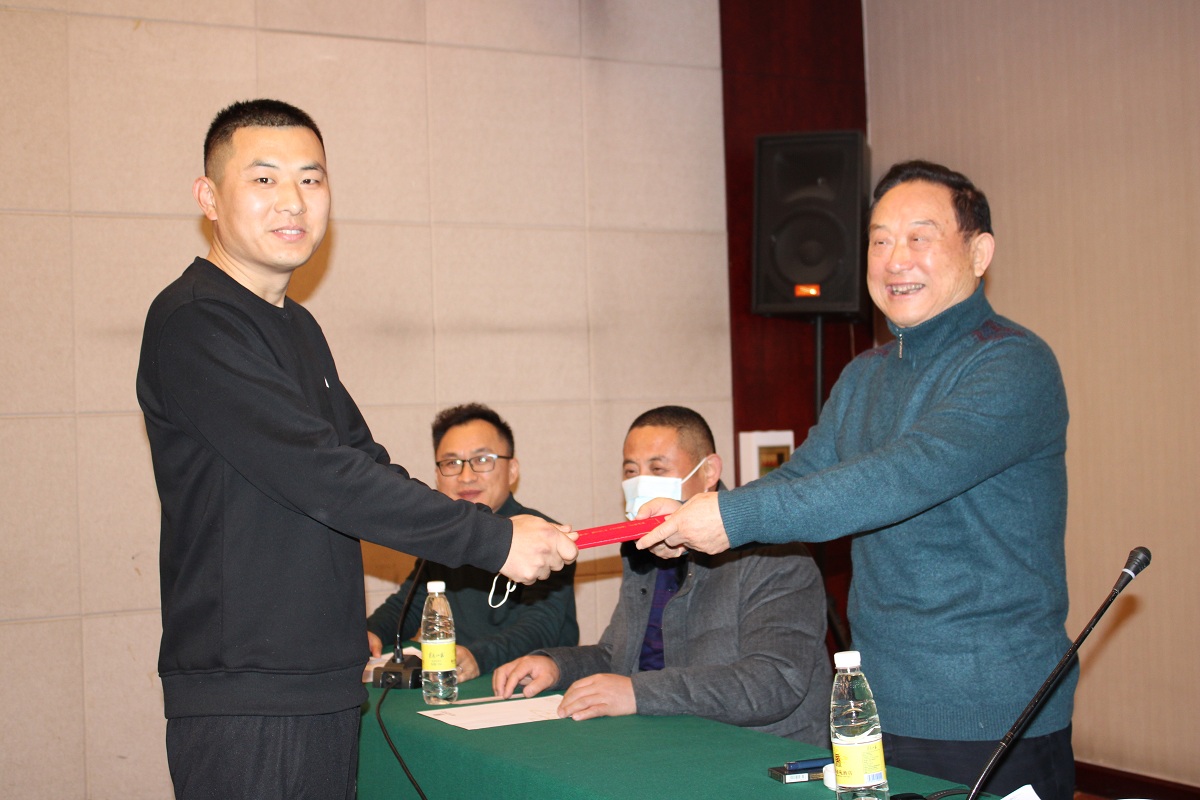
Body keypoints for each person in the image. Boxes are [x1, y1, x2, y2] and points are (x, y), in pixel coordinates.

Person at [136, 99, 576, 800]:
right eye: (264, 179)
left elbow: (364, 462)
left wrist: (502, 529)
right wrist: (492, 540)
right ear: (208, 198)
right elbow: (323, 474)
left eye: (311, 179)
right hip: (250, 689)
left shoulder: (297, 326)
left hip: (323, 680)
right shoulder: (196, 321)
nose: (293, 200)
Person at [638, 162, 1075, 799]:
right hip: (875, 706)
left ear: (979, 253)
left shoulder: (1013, 362)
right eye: (879, 240)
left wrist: (729, 519)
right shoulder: (864, 374)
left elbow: (901, 476)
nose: (895, 259)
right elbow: (807, 476)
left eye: (920, 237)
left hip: (993, 709)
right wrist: (696, 515)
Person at [493, 406, 830, 745]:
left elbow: (773, 683)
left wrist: (638, 693)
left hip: (763, 752)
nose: (641, 483)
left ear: (709, 471)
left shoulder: (774, 555)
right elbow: (619, 655)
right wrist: (557, 666)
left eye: (657, 469)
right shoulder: (645, 550)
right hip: (670, 740)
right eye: (631, 470)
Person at [366, 403, 578, 680]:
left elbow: (541, 627)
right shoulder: (445, 535)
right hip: (460, 682)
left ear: (512, 470)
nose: (466, 477)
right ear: (437, 476)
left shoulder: (545, 537)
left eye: (482, 460)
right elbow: (409, 604)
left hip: (533, 686)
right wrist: (371, 632)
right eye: (452, 463)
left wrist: (479, 656)